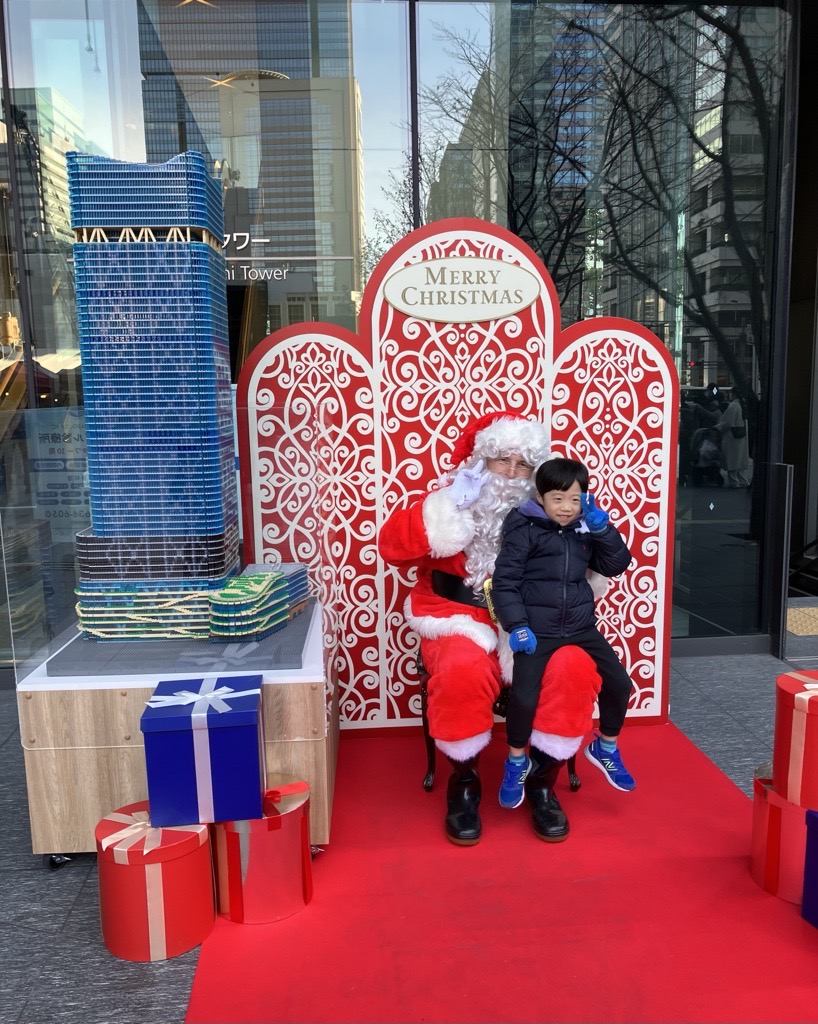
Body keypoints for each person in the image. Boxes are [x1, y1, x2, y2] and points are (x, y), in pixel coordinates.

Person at [378, 412, 604, 845]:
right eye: (502, 460)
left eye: (524, 465)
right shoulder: (451, 501)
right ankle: (464, 782)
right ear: (480, 463)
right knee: (462, 670)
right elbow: (391, 547)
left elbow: (596, 567)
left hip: (537, 620)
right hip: (458, 617)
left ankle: (542, 780)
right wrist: (449, 505)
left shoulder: (556, 512)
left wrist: (594, 530)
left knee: (574, 668)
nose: (512, 473)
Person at [490, 456, 637, 811]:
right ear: (541, 497)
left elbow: (616, 564)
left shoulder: (585, 528)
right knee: (524, 698)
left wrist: (603, 529)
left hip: (580, 627)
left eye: (575, 498)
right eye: (557, 498)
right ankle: (516, 761)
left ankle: (605, 746)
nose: (567, 507)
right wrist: (517, 626)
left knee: (620, 684)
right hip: (536, 631)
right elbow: (504, 582)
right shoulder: (524, 528)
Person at [717, 387, 751, 488]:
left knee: (731, 460)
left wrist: (717, 428)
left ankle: (734, 482)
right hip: (741, 436)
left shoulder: (733, 406)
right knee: (739, 461)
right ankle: (743, 481)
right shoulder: (742, 405)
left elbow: (726, 422)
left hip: (731, 436)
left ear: (734, 394)